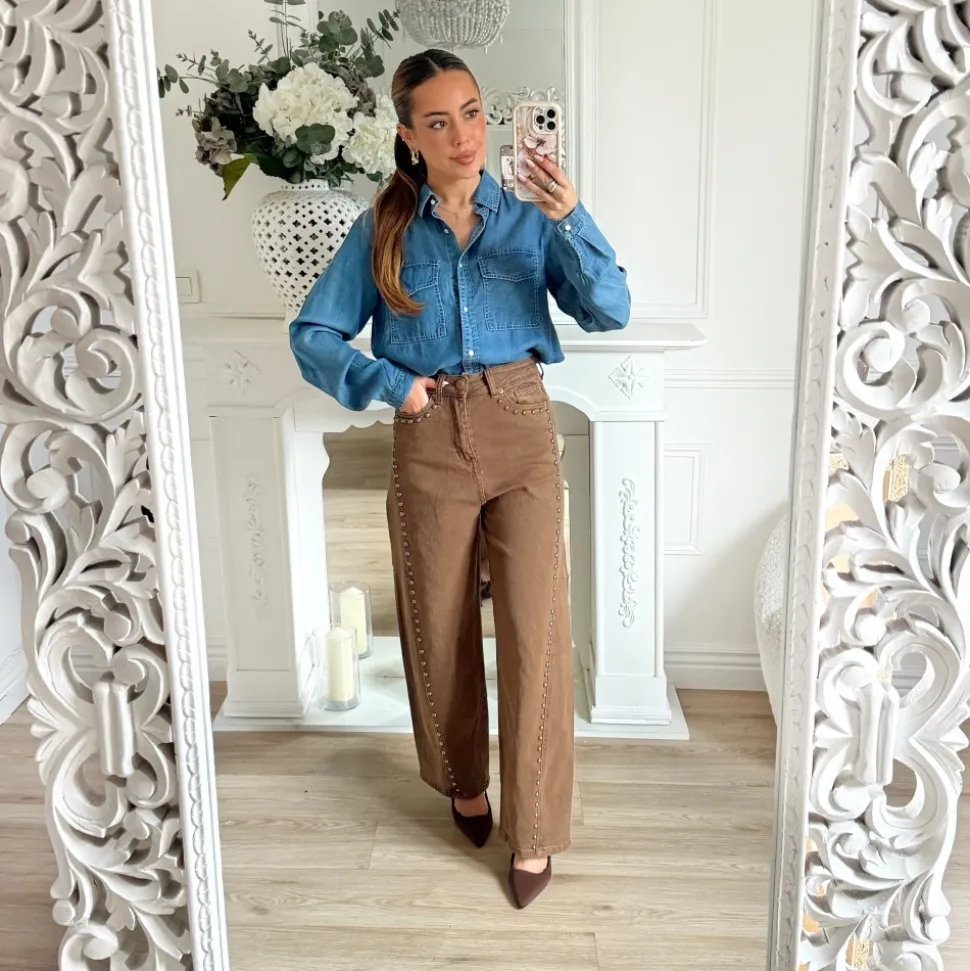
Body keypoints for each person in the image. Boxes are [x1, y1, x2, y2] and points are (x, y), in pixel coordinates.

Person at [289, 49, 630, 908]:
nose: (463, 135)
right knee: (436, 622)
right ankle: (462, 781)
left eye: (472, 113)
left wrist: (572, 217)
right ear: (408, 136)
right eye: (438, 121)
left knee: (535, 629)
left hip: (519, 422)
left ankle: (536, 824)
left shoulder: (533, 218)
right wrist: (389, 383)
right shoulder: (383, 228)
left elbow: (610, 309)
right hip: (428, 429)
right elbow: (312, 335)